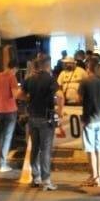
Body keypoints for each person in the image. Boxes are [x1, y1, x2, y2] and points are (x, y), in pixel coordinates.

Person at [18, 56, 62, 191]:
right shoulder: (50, 79)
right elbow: (60, 95)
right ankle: (46, 180)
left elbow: (19, 95)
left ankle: (35, 178)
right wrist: (60, 111)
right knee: (45, 150)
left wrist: (30, 99)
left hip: (32, 118)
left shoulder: (29, 79)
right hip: (46, 118)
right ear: (47, 65)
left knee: (35, 149)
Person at [77, 55, 100, 187]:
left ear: (88, 67)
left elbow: (79, 99)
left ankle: (94, 176)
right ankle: (99, 176)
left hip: (88, 119)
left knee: (90, 150)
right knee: (99, 149)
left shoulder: (85, 82)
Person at [0, 48, 21, 172]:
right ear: (14, 68)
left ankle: (0, 162)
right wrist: (20, 89)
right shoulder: (11, 77)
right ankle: (3, 164)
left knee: (0, 137)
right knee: (7, 137)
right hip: (10, 111)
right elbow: (15, 95)